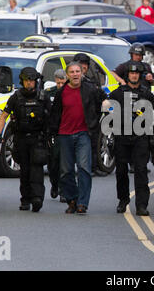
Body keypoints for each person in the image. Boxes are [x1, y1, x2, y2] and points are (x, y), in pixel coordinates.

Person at [104, 61, 154, 216]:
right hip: (121, 137)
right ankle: (123, 200)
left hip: (141, 138)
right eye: (131, 73)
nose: (134, 75)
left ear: (139, 76)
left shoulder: (146, 93)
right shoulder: (118, 92)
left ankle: (141, 205)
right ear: (128, 75)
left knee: (141, 171)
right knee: (121, 172)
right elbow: (105, 105)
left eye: (136, 73)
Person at [49, 62, 107, 214]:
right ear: (67, 75)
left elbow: (102, 101)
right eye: (72, 72)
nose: (75, 74)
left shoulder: (90, 89)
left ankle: (82, 203)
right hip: (64, 135)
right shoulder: (61, 93)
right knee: (66, 171)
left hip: (83, 134)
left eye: (77, 71)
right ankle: (72, 199)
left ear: (82, 73)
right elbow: (55, 114)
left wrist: (94, 125)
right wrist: (52, 134)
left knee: (83, 168)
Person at [0, 67, 51, 212]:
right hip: (20, 139)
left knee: (37, 169)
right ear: (22, 81)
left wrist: (53, 135)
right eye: (26, 80)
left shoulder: (43, 97)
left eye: (31, 80)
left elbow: (52, 118)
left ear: (35, 81)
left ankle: (37, 198)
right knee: (25, 170)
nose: (29, 83)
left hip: (38, 139)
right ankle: (25, 199)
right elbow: (3, 116)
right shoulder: (16, 97)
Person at [73, 52, 108, 177]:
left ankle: (93, 167)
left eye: (85, 64)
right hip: (74, 119)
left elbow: (101, 96)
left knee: (93, 143)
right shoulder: (70, 82)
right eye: (80, 64)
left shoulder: (91, 81)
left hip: (91, 118)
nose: (83, 67)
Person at [45, 69, 67, 203]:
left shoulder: (70, 92)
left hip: (65, 131)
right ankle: (54, 184)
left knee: (65, 163)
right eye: (58, 83)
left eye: (62, 82)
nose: (60, 85)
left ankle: (64, 190)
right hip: (52, 131)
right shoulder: (49, 93)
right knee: (53, 163)